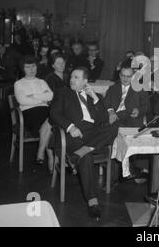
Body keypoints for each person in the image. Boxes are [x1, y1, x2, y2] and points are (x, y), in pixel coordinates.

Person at [49, 67, 117, 219]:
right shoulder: (63, 93)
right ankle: (92, 202)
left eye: (76, 77)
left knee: (113, 126)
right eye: (72, 77)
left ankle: (79, 153)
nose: (71, 79)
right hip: (74, 135)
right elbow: (54, 113)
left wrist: (95, 98)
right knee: (86, 157)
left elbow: (104, 119)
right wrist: (70, 127)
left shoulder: (95, 96)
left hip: (92, 134)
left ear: (85, 81)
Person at [14, 55, 54, 172]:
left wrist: (33, 96)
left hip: (45, 111)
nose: (31, 69)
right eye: (28, 67)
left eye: (33, 66)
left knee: (51, 120)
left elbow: (51, 96)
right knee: (52, 124)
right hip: (29, 113)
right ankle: (51, 159)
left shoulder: (42, 82)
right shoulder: (19, 84)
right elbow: (22, 101)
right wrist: (42, 98)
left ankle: (41, 152)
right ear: (23, 69)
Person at [104, 64, 149, 128]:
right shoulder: (113, 88)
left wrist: (139, 111)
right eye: (123, 76)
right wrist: (111, 111)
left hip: (132, 119)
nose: (125, 79)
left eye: (128, 76)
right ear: (119, 75)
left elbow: (146, 106)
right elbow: (106, 102)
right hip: (114, 119)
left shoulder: (140, 89)